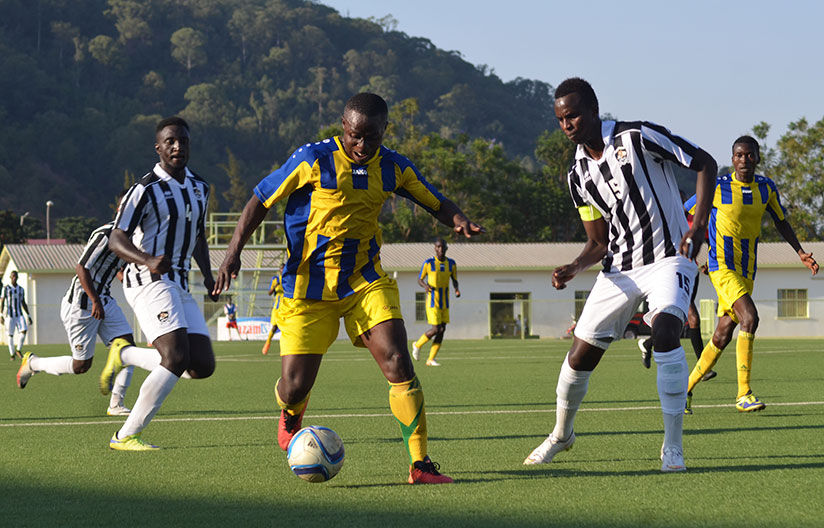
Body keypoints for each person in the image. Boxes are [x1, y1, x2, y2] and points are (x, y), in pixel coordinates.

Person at [213, 93, 484, 484]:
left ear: (384, 131)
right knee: (294, 386)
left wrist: (458, 219)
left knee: (398, 361)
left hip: (364, 281)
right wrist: (232, 254)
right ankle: (291, 412)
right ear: (343, 127)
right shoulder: (313, 159)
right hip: (307, 288)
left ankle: (420, 465)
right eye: (355, 136)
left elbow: (434, 200)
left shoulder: (393, 167)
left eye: (370, 137)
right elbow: (260, 199)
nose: (361, 146)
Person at [522, 78, 717, 472]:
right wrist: (574, 266)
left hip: (669, 256)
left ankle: (673, 446)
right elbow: (598, 241)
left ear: (594, 111)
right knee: (578, 359)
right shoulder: (577, 176)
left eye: (573, 115)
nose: (567, 124)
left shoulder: (637, 136)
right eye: (561, 119)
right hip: (620, 269)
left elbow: (706, 163)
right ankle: (562, 434)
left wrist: (696, 227)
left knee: (664, 334)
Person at [100, 116, 218, 451]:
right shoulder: (145, 189)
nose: (177, 146)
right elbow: (116, 239)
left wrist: (208, 275)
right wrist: (147, 259)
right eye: (170, 141)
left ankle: (125, 354)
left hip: (179, 281)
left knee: (201, 365)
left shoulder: (200, 187)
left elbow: (198, 237)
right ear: (158, 147)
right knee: (176, 356)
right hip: (147, 279)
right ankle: (126, 435)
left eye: (182, 140)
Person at [683, 136, 819, 414]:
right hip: (721, 265)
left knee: (722, 335)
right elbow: (684, 211)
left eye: (749, 155)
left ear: (758, 158)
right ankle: (743, 394)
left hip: (747, 269)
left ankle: (682, 390)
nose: (744, 160)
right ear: (732, 159)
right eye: (739, 155)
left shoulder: (766, 188)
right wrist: (693, 246)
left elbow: (781, 221)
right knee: (750, 317)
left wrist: (800, 252)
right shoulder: (717, 186)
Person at [15, 216, 159, 415]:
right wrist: (95, 300)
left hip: (104, 300)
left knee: (127, 348)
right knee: (81, 365)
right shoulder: (105, 234)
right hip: (82, 304)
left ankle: (116, 404)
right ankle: (32, 363)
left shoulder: (131, 238)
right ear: (123, 210)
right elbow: (82, 267)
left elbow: (117, 267)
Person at [638, 192, 716, 382]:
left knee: (680, 319)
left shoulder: (695, 222)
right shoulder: (664, 221)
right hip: (671, 274)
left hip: (690, 273)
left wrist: (706, 263)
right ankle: (702, 368)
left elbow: (708, 242)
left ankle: (648, 344)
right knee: (693, 319)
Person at [411, 238, 460, 366]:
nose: (440, 249)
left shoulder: (452, 264)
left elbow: (454, 279)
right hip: (432, 301)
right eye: (438, 247)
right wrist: (425, 286)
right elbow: (420, 279)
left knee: (442, 329)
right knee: (436, 328)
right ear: (435, 248)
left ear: (446, 248)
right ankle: (417, 344)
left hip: (445, 301)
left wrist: (456, 289)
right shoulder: (428, 263)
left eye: (443, 247)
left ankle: (431, 359)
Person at [1, 271, 32, 360]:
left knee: (24, 330)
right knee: (10, 335)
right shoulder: (6, 288)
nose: (14, 277)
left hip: (19, 315)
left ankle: (18, 350)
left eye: (15, 276)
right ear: (10, 277)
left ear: (17, 277)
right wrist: (1, 314)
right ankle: (12, 355)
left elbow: (23, 302)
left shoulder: (21, 289)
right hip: (9, 316)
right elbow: (2, 302)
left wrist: (29, 315)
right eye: (13, 276)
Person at [261, 264, 284, 356]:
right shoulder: (275, 279)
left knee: (285, 329)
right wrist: (275, 287)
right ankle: (267, 343)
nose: (282, 270)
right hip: (277, 307)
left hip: (286, 306)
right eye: (281, 268)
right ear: (279, 270)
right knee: (274, 327)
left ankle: (284, 350)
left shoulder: (289, 278)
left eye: (283, 268)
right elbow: (269, 293)